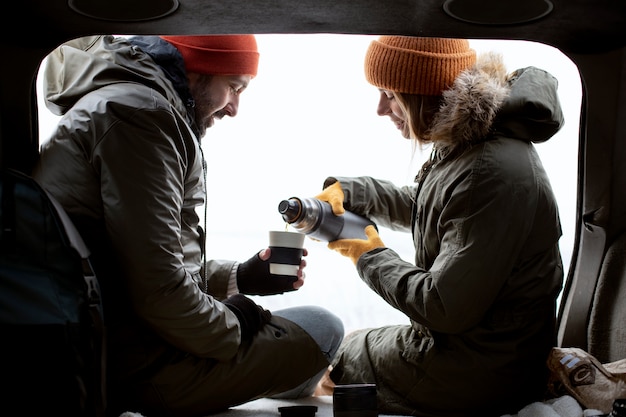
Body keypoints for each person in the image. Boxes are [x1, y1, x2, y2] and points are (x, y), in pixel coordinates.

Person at [33, 34, 344, 417]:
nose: (234, 108)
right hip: (141, 367)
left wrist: (240, 277)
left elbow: (128, 268)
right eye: (234, 87)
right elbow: (157, 290)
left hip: (118, 342)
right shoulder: (142, 116)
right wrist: (237, 320)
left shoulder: (122, 104)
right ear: (199, 68)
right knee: (323, 327)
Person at [310, 36, 565, 416]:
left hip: (484, 372)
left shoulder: (489, 170)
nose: (381, 108)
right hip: (481, 351)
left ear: (424, 93)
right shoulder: (473, 143)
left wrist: (366, 253)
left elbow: (443, 306)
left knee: (333, 353)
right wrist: (352, 192)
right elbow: (430, 205)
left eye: (390, 94)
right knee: (347, 345)